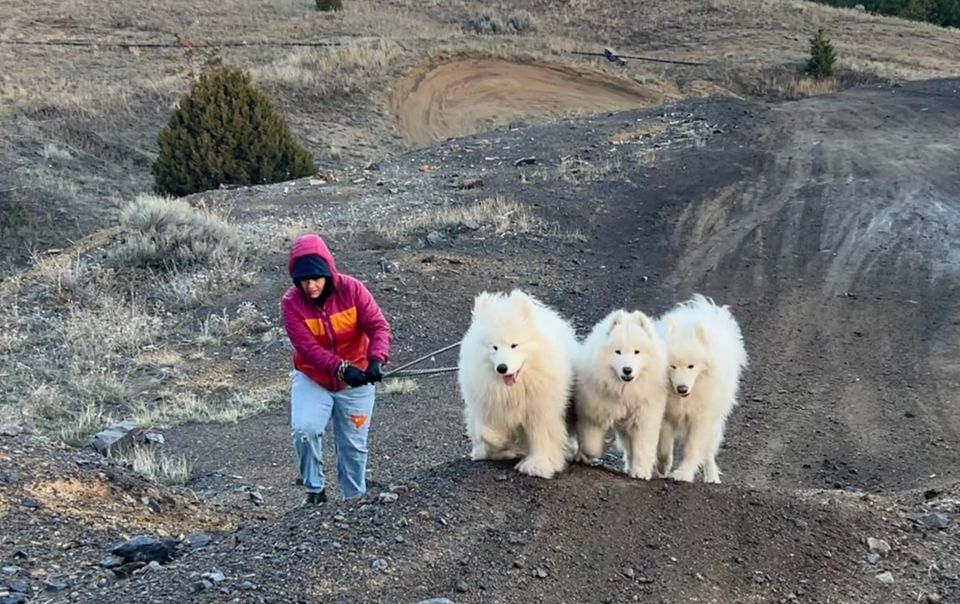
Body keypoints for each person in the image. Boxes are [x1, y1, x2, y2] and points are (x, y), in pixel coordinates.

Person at [281, 233, 392, 504]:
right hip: (314, 378)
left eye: (316, 278)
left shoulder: (353, 290)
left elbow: (378, 326)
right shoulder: (291, 303)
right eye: (304, 280)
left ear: (328, 273)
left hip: (357, 381)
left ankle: (353, 502)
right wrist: (342, 368)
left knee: (353, 447)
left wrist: (376, 359)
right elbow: (307, 349)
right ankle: (315, 491)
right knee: (305, 430)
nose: (310, 286)